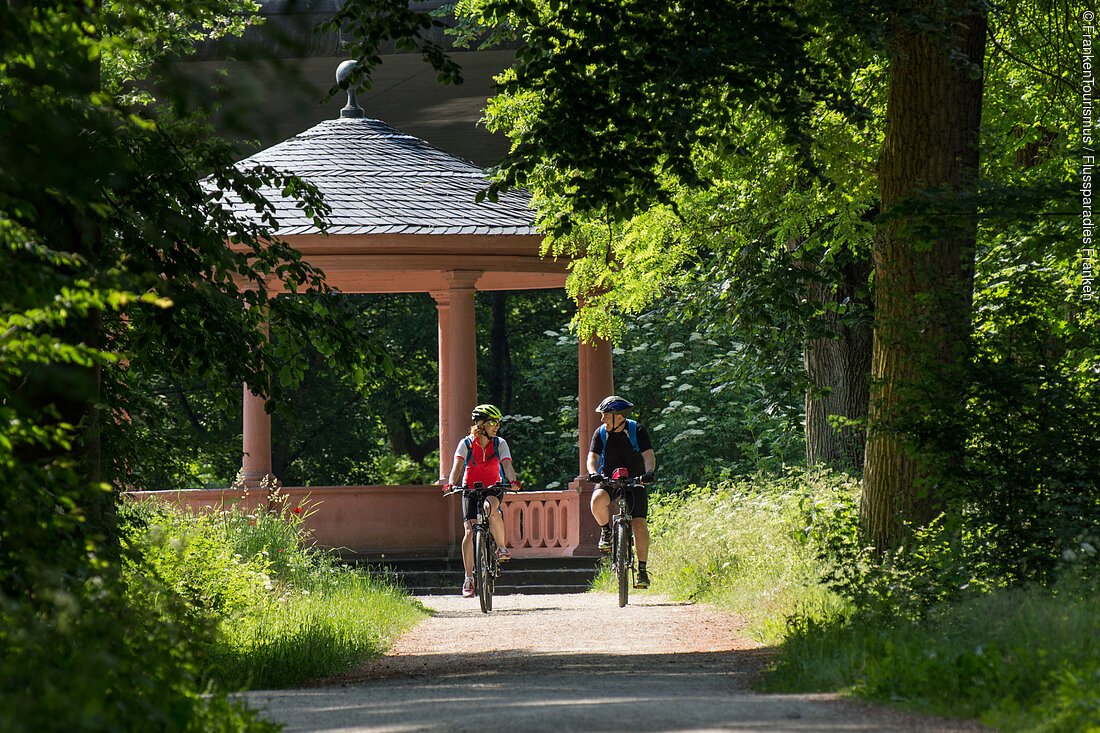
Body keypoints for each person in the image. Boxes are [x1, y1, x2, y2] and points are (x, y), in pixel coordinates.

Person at [442, 403, 522, 598]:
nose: (497, 427)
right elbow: (457, 467)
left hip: (494, 486)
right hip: (470, 488)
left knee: (490, 507)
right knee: (469, 532)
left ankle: (501, 548)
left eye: (498, 423)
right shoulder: (466, 444)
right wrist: (451, 484)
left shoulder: (499, 443)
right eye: (493, 423)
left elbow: (507, 465)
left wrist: (513, 481)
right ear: (480, 425)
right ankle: (468, 578)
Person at [587, 395, 656, 589]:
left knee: (639, 524)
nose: (602, 420)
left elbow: (648, 455)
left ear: (618, 417)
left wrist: (649, 472)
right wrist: (593, 473)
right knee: (597, 500)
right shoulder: (601, 433)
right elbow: (591, 457)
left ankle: (642, 570)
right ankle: (607, 531)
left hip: (635, 480)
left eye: (605, 416)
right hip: (609, 479)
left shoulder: (637, 430)